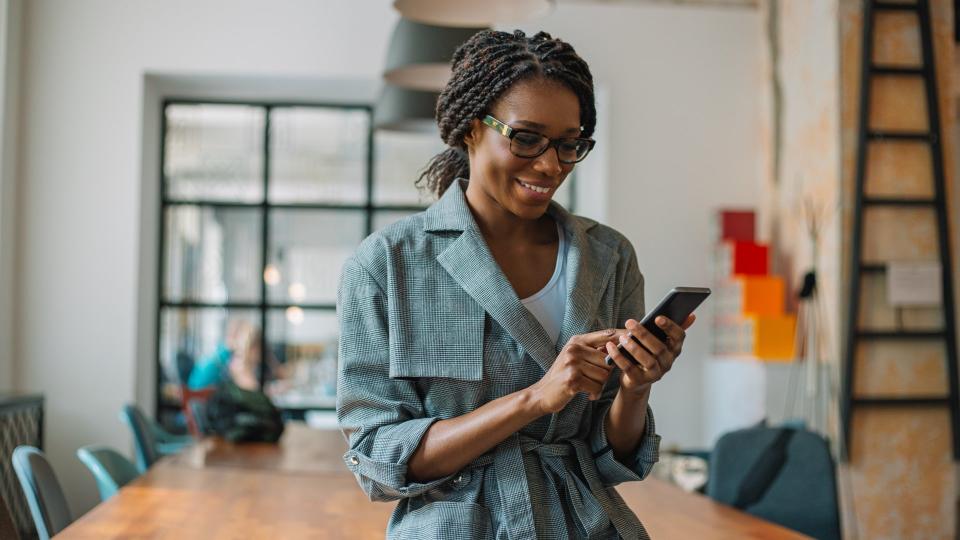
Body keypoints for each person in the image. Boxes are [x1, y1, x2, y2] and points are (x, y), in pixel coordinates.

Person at [337, 29, 695, 539]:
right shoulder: (387, 265)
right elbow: (377, 458)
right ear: (469, 129)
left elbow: (610, 456)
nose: (550, 165)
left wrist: (636, 389)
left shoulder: (609, 257)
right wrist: (534, 398)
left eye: (569, 145)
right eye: (526, 138)